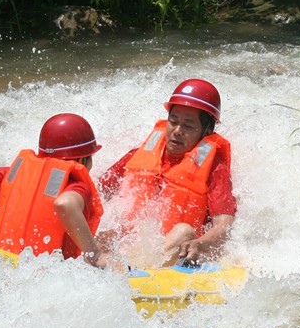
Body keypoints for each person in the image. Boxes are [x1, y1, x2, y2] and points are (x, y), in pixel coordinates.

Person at [0, 113, 111, 268]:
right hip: (46, 274)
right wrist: (94, 256)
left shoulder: (13, 175)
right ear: (83, 159)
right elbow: (64, 204)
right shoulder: (76, 185)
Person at [98, 78, 236, 264]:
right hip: (135, 244)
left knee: (183, 231)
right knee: (106, 235)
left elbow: (223, 227)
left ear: (207, 131)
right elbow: (98, 192)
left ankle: (134, 269)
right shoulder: (138, 155)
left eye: (188, 125)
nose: (177, 131)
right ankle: (118, 265)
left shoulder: (215, 170)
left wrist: (200, 244)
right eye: (173, 121)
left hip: (180, 250)